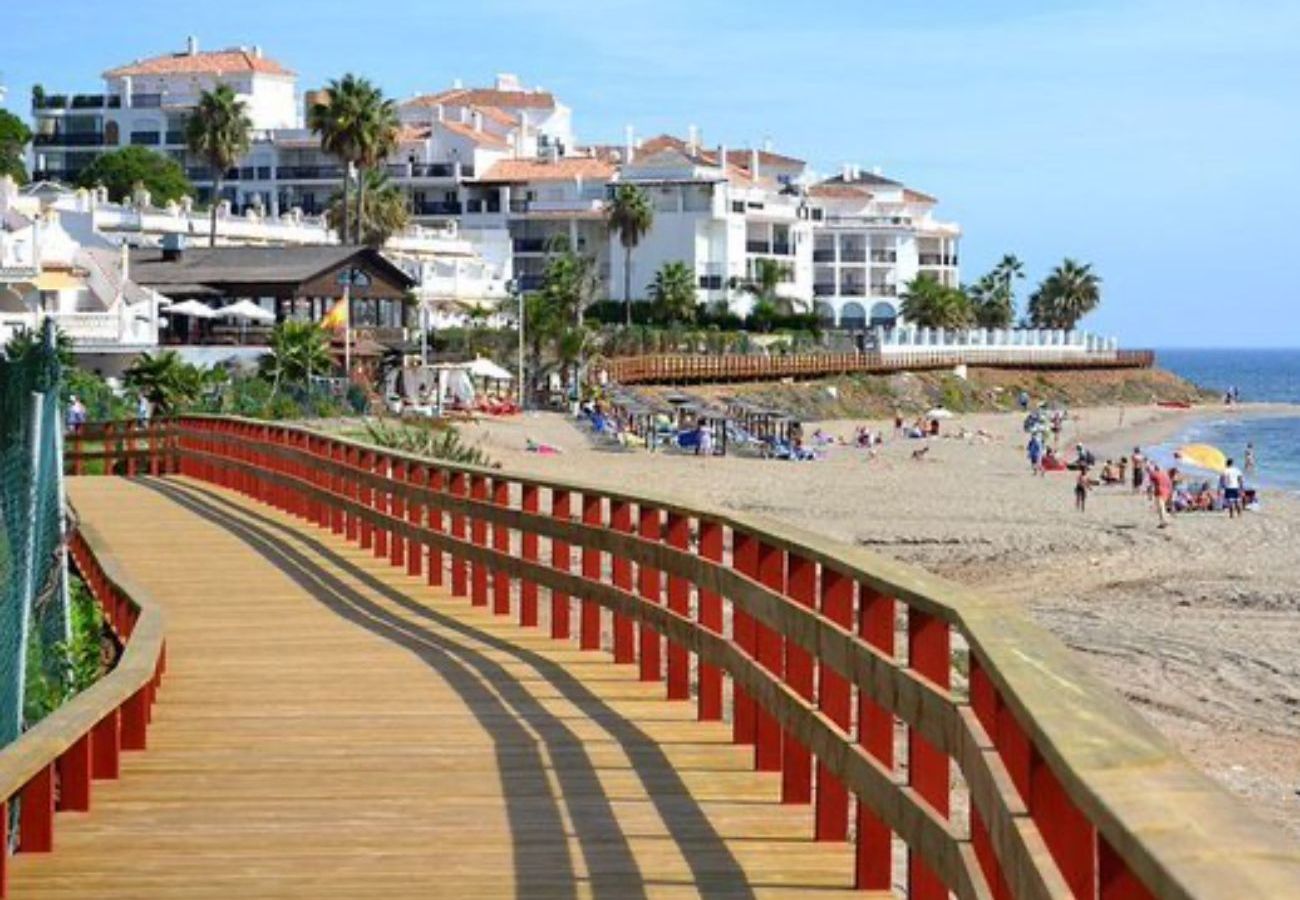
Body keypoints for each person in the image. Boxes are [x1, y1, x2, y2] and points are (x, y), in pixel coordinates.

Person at [1150, 463, 1172, 528]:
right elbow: (1169, 484)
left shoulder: (1155, 474)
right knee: (1163, 507)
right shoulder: (1166, 475)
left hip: (1159, 492)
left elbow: (1151, 482)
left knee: (1161, 508)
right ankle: (1165, 520)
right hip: (1166, 492)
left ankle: (1164, 522)